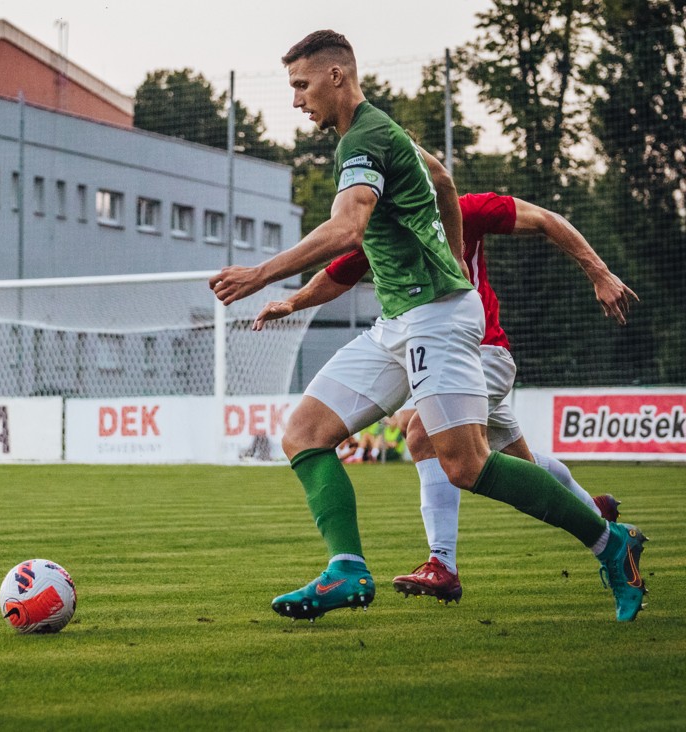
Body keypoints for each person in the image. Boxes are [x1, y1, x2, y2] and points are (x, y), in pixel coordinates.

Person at [209, 30, 647, 622]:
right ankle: (346, 571)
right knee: (304, 434)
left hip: (437, 318)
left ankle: (608, 543)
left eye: (301, 85)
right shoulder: (386, 135)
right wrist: (450, 247)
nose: (296, 100)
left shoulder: (362, 139)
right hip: (403, 319)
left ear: (337, 76)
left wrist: (263, 274)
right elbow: (440, 179)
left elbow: (346, 231)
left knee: (464, 465)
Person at [255, 190, 634, 602]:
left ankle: (443, 565)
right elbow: (338, 273)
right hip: (432, 349)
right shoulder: (381, 222)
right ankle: (595, 514)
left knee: (423, 436)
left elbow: (545, 218)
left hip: (482, 350)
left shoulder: (464, 207)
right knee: (519, 463)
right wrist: (291, 301)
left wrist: (599, 272)